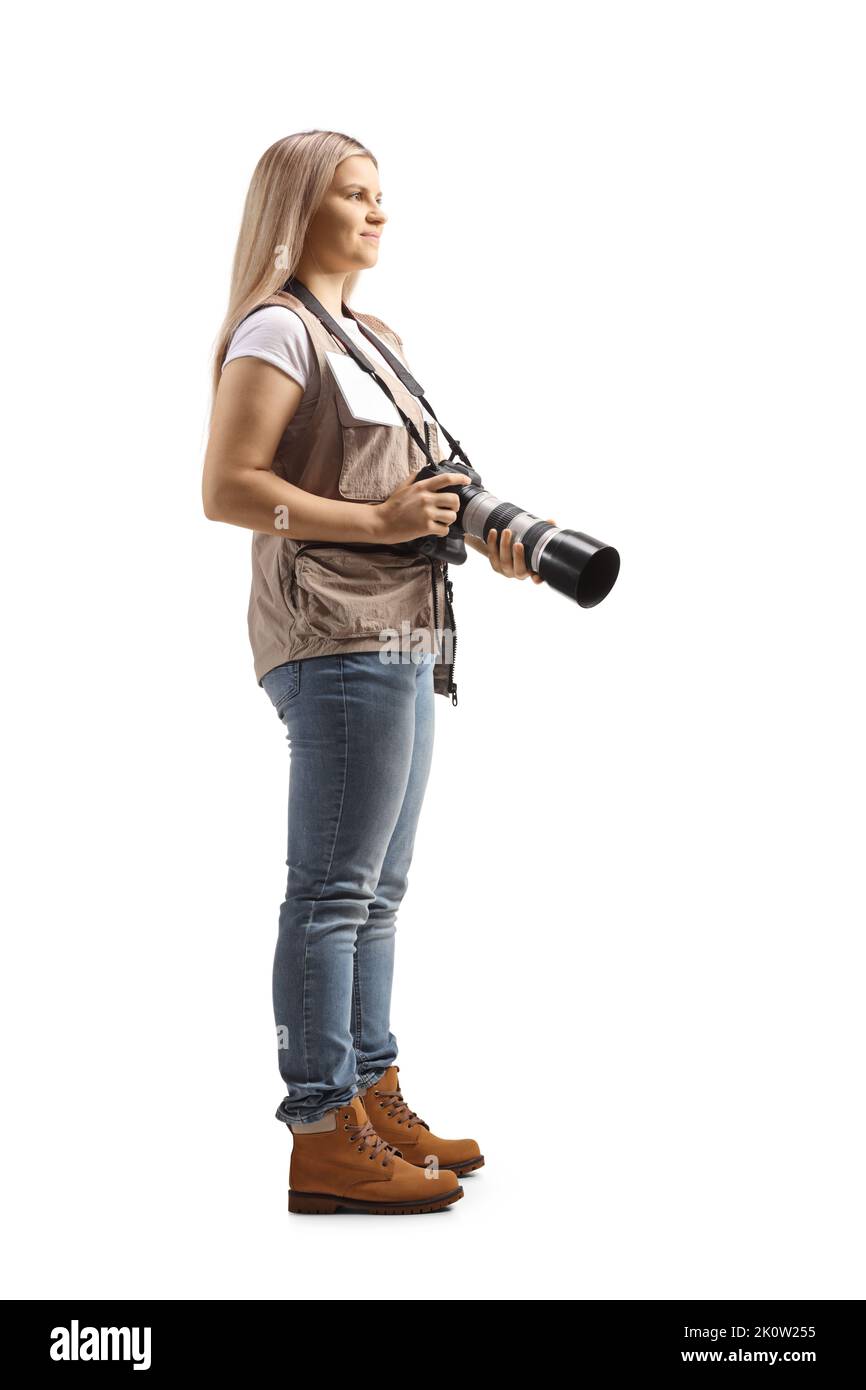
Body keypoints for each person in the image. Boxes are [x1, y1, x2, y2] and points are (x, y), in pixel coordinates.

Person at [202, 130, 545, 1215]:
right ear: (296, 211)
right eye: (353, 194)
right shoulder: (277, 329)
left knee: (377, 895)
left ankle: (369, 1092)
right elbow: (226, 486)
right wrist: (381, 517)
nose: (377, 210)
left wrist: (464, 531)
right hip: (334, 635)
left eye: (381, 193)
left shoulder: (371, 339)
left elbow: (404, 501)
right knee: (333, 891)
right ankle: (319, 1130)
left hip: (403, 631)